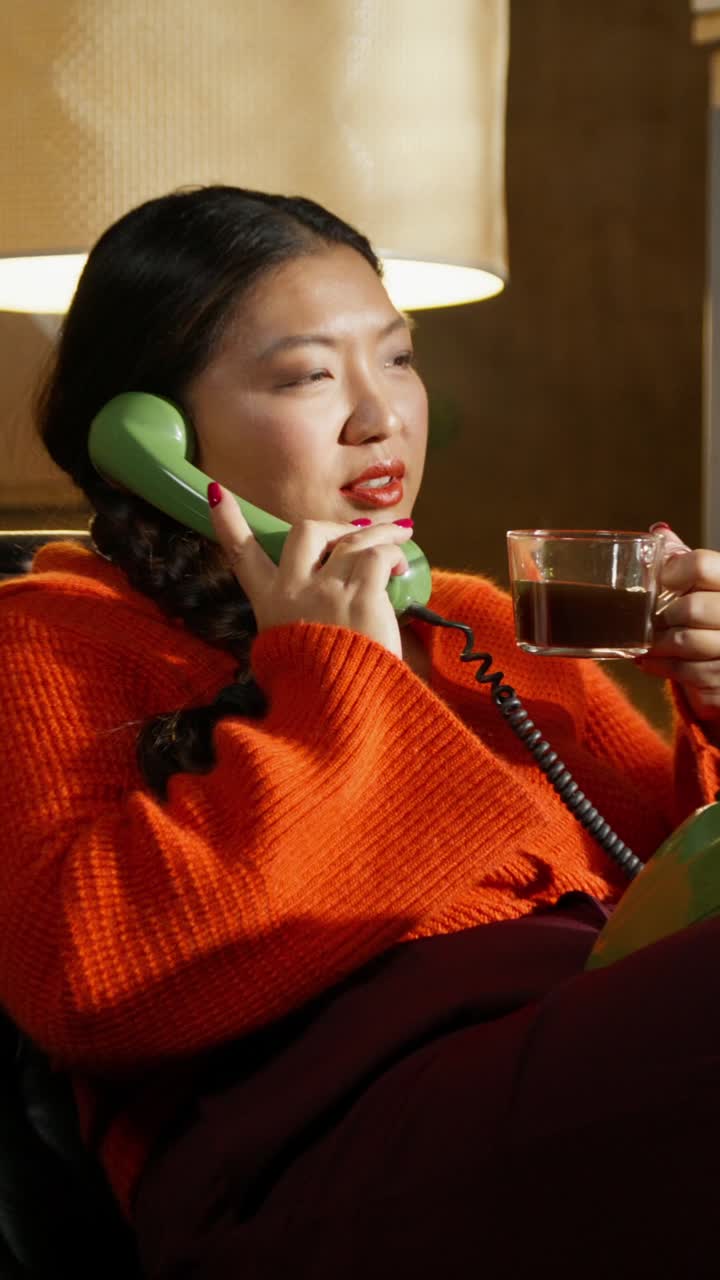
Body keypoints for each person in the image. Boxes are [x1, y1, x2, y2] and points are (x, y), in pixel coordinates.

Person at [0, 184, 719, 1278]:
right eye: (307, 374)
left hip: (578, 1070)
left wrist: (714, 706)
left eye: (397, 357)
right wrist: (332, 677)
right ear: (148, 435)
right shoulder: (50, 641)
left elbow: (674, 894)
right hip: (317, 1147)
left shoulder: (475, 620)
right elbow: (92, 981)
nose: (380, 415)